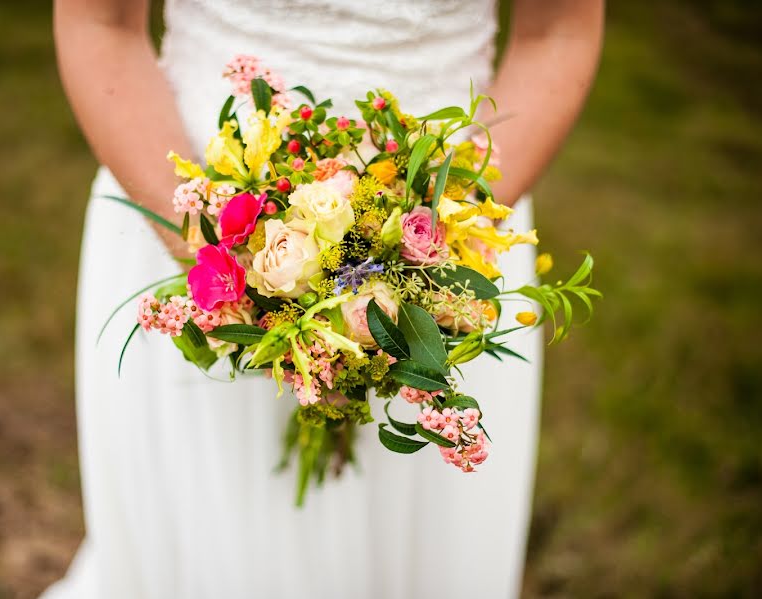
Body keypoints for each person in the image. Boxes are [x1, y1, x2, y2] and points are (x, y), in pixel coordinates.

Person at [44, 1, 603, 597]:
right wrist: (232, 273)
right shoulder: (207, 245)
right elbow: (98, 24)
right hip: (187, 204)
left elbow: (558, 32)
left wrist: (436, 249)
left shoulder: (444, 247)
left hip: (449, 241)